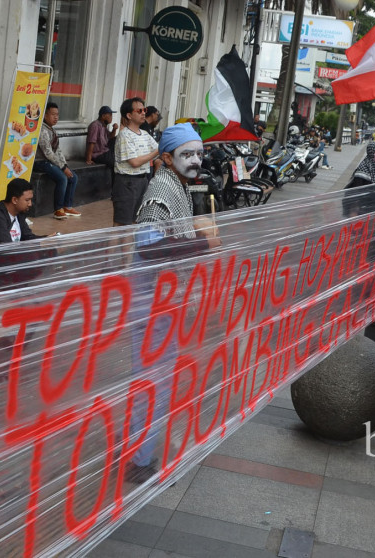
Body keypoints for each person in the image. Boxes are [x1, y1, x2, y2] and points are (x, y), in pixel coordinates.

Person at [125, 123, 221, 483]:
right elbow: (148, 247)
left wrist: (197, 227)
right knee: (152, 380)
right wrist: (202, 243)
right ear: (166, 158)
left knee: (158, 379)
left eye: (199, 153)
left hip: (163, 303)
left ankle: (140, 448)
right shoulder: (162, 188)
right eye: (187, 154)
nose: (196, 160)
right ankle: (139, 459)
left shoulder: (179, 186)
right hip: (151, 304)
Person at [113, 97, 159, 227]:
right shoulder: (124, 135)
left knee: (134, 222)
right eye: (139, 110)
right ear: (129, 115)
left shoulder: (144, 133)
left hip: (142, 181)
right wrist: (157, 152)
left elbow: (158, 150)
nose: (144, 113)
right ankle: (115, 248)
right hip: (127, 183)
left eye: (144, 110)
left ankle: (129, 247)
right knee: (121, 224)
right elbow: (134, 162)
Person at [35, 102, 79, 220]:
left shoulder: (52, 130)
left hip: (50, 162)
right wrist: (62, 168)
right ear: (45, 115)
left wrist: (65, 165)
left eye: (57, 115)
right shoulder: (42, 130)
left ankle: (67, 206)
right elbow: (48, 152)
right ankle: (58, 209)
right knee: (62, 178)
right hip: (39, 161)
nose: (56, 117)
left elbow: (58, 151)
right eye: (53, 114)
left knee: (73, 177)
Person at [0, 178, 47, 244]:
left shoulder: (19, 213)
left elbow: (28, 237)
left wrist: (46, 239)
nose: (30, 204)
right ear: (14, 200)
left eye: (31, 200)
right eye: (27, 200)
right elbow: (5, 245)